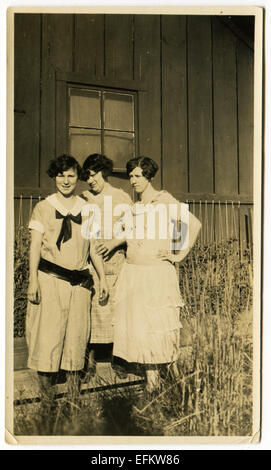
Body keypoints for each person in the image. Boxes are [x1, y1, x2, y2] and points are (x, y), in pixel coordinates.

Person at [111, 156, 202, 393]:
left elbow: (194, 224)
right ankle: (152, 384)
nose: (133, 180)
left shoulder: (164, 200)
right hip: (133, 273)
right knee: (140, 328)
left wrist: (178, 254)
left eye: (138, 176)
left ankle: (176, 385)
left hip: (156, 274)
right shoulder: (135, 206)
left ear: (149, 176)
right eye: (130, 176)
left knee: (157, 327)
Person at [26, 154, 108, 394]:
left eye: (71, 175)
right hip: (51, 279)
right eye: (61, 175)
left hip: (80, 282)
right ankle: (47, 397)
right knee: (49, 333)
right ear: (54, 177)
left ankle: (74, 396)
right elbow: (34, 247)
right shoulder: (43, 207)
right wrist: (33, 280)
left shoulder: (88, 209)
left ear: (77, 178)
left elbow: (93, 246)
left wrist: (102, 277)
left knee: (77, 335)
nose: (66, 180)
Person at [80, 153, 132, 377]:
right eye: (87, 177)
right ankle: (89, 360)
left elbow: (132, 228)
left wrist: (112, 244)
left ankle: (117, 359)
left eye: (93, 175)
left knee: (116, 311)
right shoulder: (83, 198)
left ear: (103, 172)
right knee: (93, 310)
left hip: (117, 260)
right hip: (92, 260)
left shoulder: (120, 197)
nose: (90, 181)